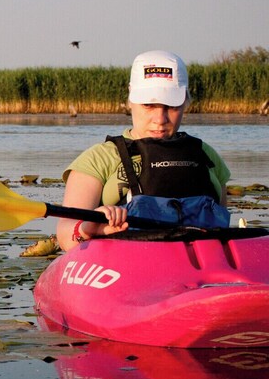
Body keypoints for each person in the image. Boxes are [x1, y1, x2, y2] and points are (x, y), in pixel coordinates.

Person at [55, 50, 230, 251]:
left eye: (171, 106)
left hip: (201, 273)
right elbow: (66, 235)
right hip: (126, 269)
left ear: (185, 102)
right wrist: (90, 228)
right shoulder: (98, 159)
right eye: (148, 105)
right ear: (131, 100)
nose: (160, 119)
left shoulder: (207, 156)